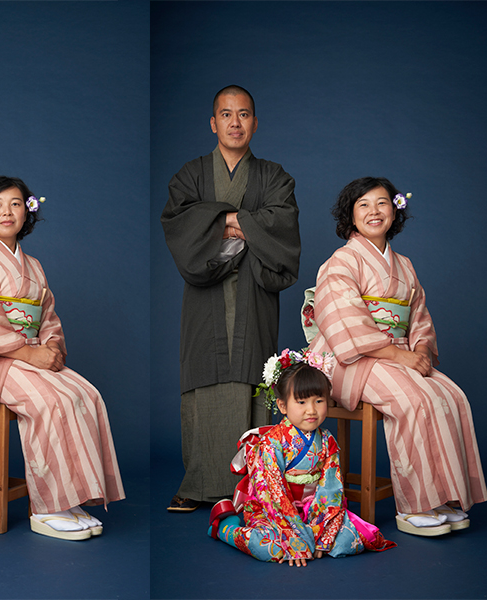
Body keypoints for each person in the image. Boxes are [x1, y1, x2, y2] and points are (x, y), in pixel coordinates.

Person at [310, 177, 486, 536]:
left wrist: (420, 349)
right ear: (351, 215)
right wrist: (396, 354)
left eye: (382, 203)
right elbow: (344, 322)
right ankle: (415, 505)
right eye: (363, 205)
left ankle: (445, 497)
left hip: (397, 354)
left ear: (394, 211)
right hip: (351, 359)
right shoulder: (341, 262)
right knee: (413, 399)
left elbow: (418, 316)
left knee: (452, 397)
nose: (373, 211)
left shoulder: (404, 265)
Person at [0, 176, 124, 541]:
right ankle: (47, 508)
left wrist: (51, 349)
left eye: (16, 204)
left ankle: (72, 498)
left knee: (85, 394)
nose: (7, 211)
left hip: (29, 355)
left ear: (26, 212)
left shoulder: (34, 264)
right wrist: (31, 353)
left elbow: (47, 316)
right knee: (50, 400)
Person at [161, 85, 300, 511]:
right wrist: (248, 226)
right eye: (226, 115)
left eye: (243, 115)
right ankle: (199, 483)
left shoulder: (275, 176)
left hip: (255, 295)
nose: (235, 123)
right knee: (205, 379)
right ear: (213, 122)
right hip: (203, 301)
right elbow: (181, 224)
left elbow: (284, 224)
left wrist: (226, 221)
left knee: (253, 378)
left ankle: (254, 486)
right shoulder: (190, 174)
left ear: (255, 123)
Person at [208, 350, 396, 565]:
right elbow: (272, 492)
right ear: (282, 406)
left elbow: (331, 490)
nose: (311, 410)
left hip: (315, 509)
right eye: (301, 402)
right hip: (274, 511)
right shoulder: (271, 443)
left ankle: (313, 535)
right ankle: (226, 527)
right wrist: (294, 538)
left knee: (346, 541)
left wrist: (321, 534)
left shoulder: (327, 441)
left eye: (318, 401)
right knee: (268, 548)